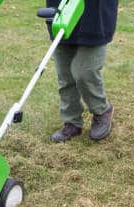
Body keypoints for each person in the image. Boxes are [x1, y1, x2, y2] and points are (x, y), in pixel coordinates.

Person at [46, 0, 119, 143]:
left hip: (95, 15)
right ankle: (72, 122)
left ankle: (102, 110)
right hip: (62, 11)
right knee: (65, 75)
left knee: (84, 72)